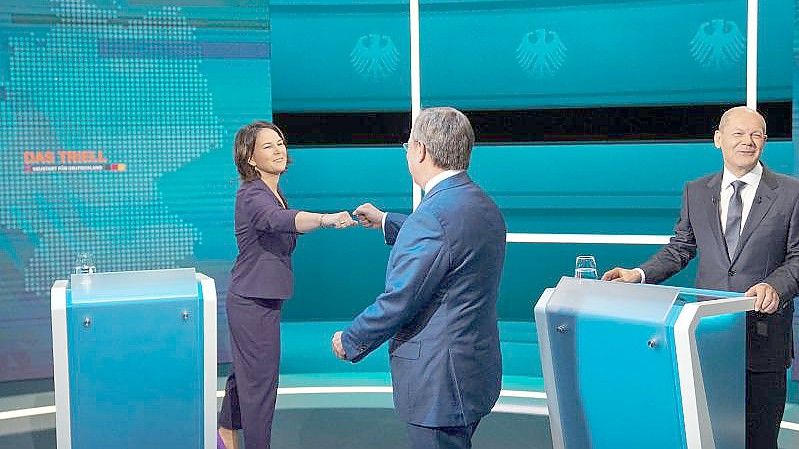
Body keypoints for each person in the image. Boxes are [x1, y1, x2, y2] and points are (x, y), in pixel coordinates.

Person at [602, 106, 799, 449]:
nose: (747, 142)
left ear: (765, 142)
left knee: (759, 441)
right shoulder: (696, 191)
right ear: (718, 140)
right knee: (708, 438)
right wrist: (639, 274)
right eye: (738, 134)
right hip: (708, 337)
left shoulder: (791, 192)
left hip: (763, 339)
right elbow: (681, 247)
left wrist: (776, 286)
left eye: (756, 135)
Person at [331, 107, 507, 449]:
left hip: (439, 382)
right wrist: (385, 220)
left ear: (421, 150)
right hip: (473, 370)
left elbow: (399, 301)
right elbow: (451, 244)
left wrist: (350, 340)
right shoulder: (481, 204)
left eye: (408, 145)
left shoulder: (433, 217)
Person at [218, 120, 356, 449]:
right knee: (261, 386)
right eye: (268, 146)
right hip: (252, 301)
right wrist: (325, 219)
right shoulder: (253, 196)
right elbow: (280, 221)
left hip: (260, 297)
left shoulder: (275, 192)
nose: (279, 149)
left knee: (247, 373)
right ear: (249, 158)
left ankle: (225, 431)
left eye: (280, 143)